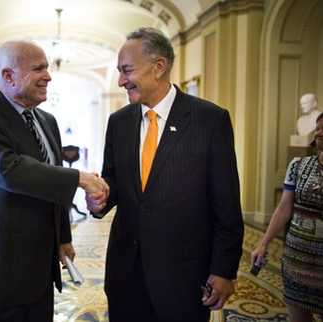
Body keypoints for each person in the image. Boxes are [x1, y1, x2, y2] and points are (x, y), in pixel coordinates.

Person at [86, 28, 244, 322]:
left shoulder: (209, 120)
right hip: (125, 274)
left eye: (127, 70)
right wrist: (100, 199)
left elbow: (226, 203)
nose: (121, 81)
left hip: (183, 276)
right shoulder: (119, 122)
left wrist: (224, 270)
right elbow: (115, 182)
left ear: (159, 67)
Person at [0, 40, 109, 322]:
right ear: (8, 76)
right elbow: (10, 170)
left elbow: (51, 185)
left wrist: (63, 238)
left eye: (47, 68)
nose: (48, 76)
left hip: (40, 271)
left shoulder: (48, 120)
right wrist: (80, 178)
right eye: (38, 69)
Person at [252, 111, 323, 322]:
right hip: (297, 259)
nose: (320, 133)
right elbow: (284, 207)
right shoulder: (298, 165)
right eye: (318, 127)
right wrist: (263, 243)